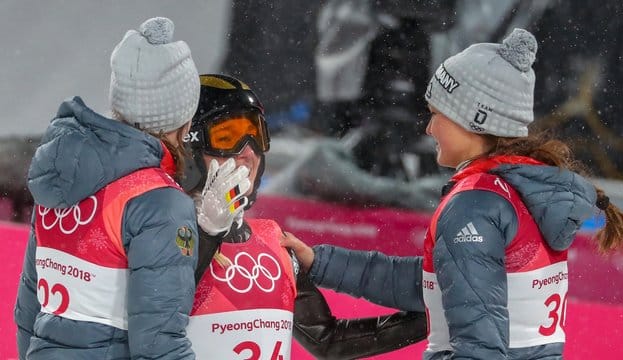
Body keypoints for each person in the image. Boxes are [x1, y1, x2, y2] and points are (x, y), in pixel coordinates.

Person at [282, 28, 623, 359]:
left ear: (477, 120)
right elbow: (440, 286)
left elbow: (480, 344)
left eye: (438, 115)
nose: (428, 128)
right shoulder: (523, 189)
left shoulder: (474, 205)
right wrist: (320, 262)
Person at [181, 73, 427, 359]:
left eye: (256, 134)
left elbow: (327, 341)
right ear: (190, 148)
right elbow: (158, 308)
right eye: (227, 137)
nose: (248, 152)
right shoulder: (156, 229)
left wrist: (434, 316)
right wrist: (207, 233)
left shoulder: (272, 241)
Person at [13, 17, 201, 359]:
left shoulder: (62, 177)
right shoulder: (159, 202)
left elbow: (29, 312)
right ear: (183, 120)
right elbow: (159, 344)